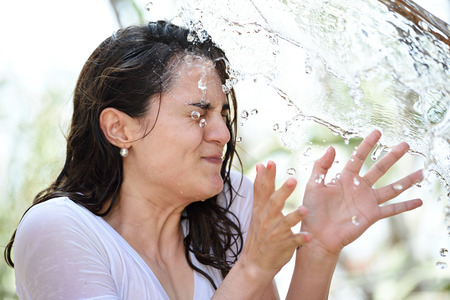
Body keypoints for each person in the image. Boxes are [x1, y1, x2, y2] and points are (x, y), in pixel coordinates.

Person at [4, 20, 423, 299]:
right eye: (197, 113)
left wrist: (319, 250)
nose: (222, 133)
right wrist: (253, 270)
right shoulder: (59, 230)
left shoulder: (230, 207)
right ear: (120, 129)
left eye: (221, 114)